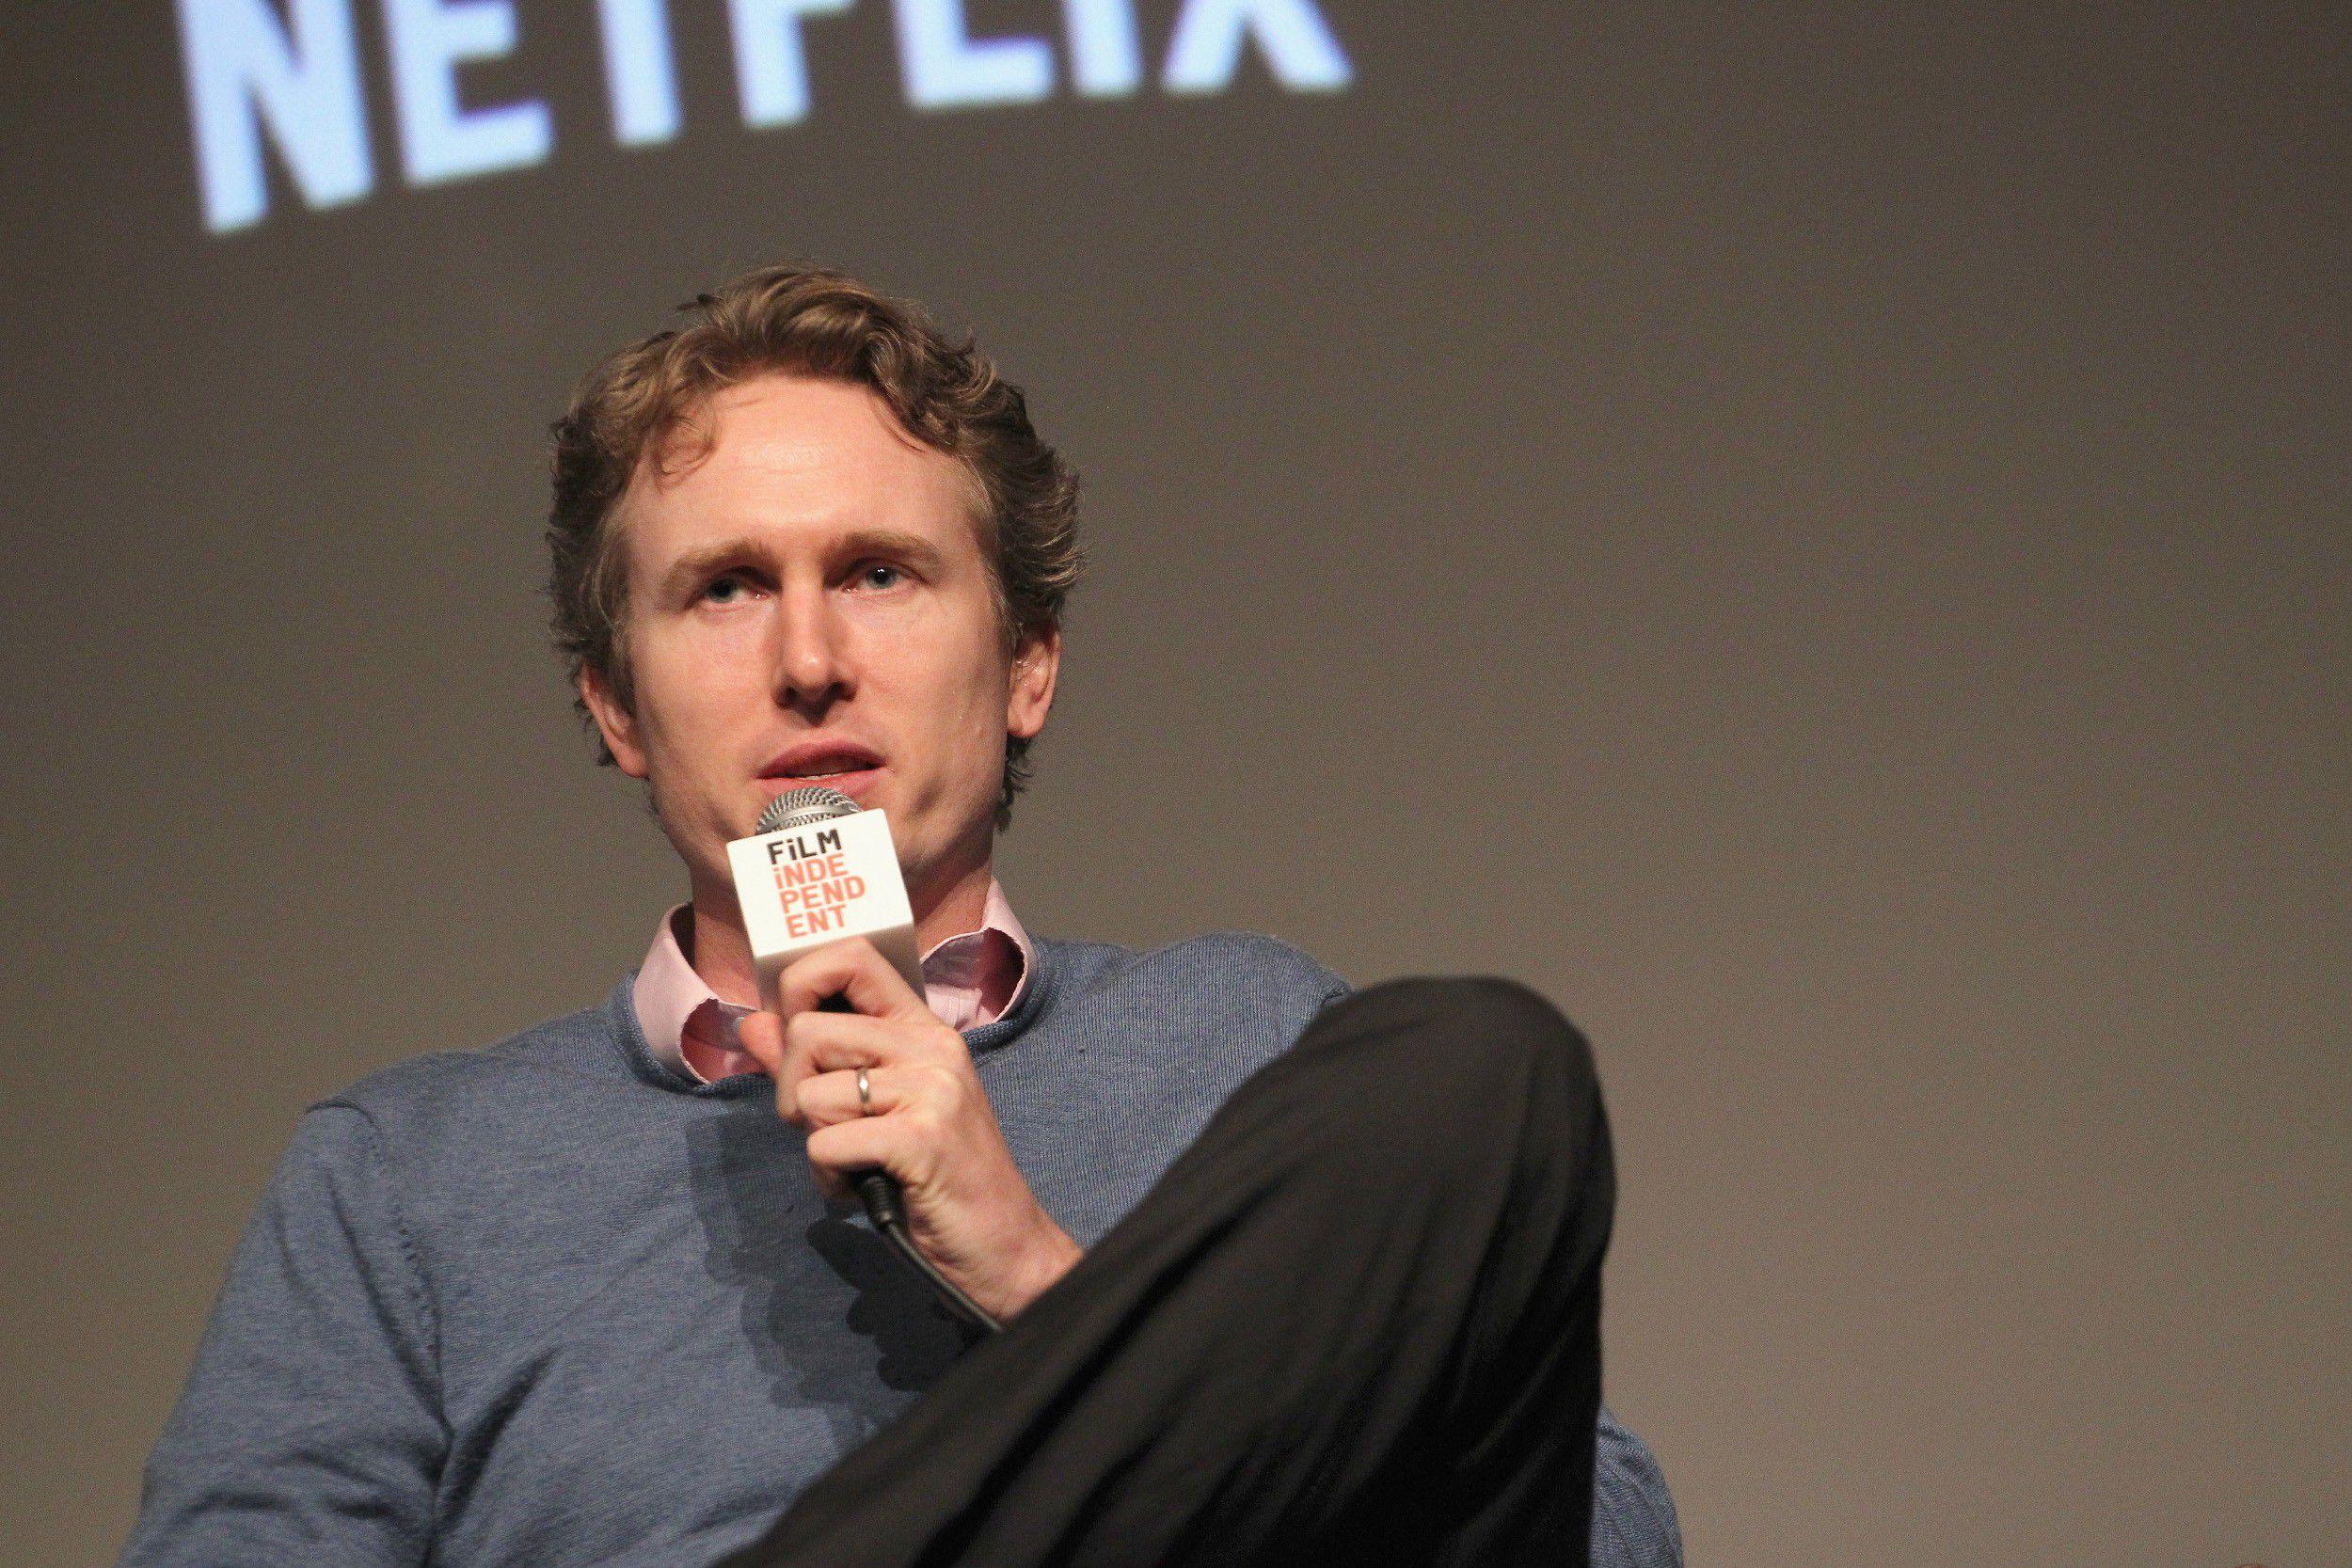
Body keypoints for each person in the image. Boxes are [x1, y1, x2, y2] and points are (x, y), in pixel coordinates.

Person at [119, 266, 1684, 1566]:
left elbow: (1598, 1542)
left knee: (1480, 1064)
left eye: (877, 573)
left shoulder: (1252, 1052)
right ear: (616, 707)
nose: (808, 662)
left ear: (1026, 669)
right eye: (726, 589)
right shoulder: (410, 1180)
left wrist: (1037, 1275)